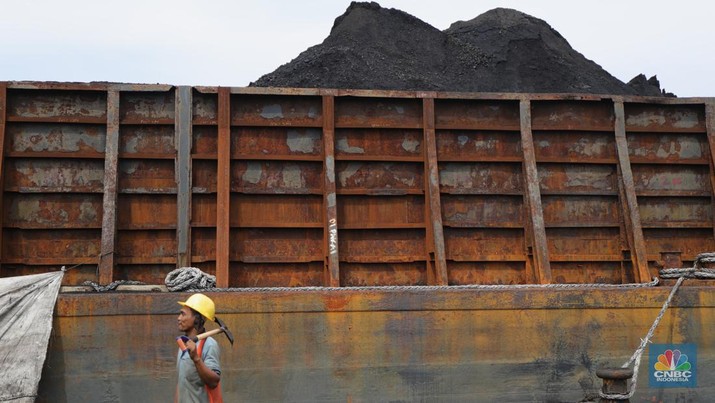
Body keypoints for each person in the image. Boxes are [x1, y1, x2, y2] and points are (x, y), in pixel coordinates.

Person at [176, 293, 223, 403]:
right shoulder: (183, 344)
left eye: (183, 314)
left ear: (197, 319)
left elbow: (214, 382)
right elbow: (182, 383)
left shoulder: (209, 345)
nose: (179, 318)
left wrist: (196, 358)